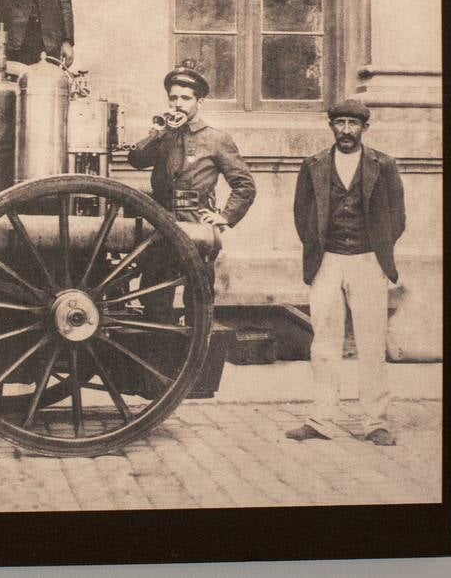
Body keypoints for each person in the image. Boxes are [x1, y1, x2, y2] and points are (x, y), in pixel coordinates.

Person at [286, 99, 407, 446]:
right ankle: (321, 419)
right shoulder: (313, 165)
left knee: (371, 341)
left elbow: (397, 216)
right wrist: (318, 248)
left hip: (368, 260)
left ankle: (375, 421)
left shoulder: (383, 165)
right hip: (326, 261)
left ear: (364, 128)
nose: (346, 130)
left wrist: (377, 248)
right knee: (324, 342)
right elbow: (301, 214)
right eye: (340, 123)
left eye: (353, 124)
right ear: (331, 127)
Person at [127, 66, 256, 320]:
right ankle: (163, 356)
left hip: (196, 227)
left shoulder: (216, 139)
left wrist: (225, 217)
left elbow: (245, 186)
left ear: (200, 101)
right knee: (154, 297)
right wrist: (159, 132)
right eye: (173, 98)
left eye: (185, 98)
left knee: (198, 298)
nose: (178, 104)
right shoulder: (164, 136)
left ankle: (199, 355)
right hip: (160, 228)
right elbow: (136, 160)